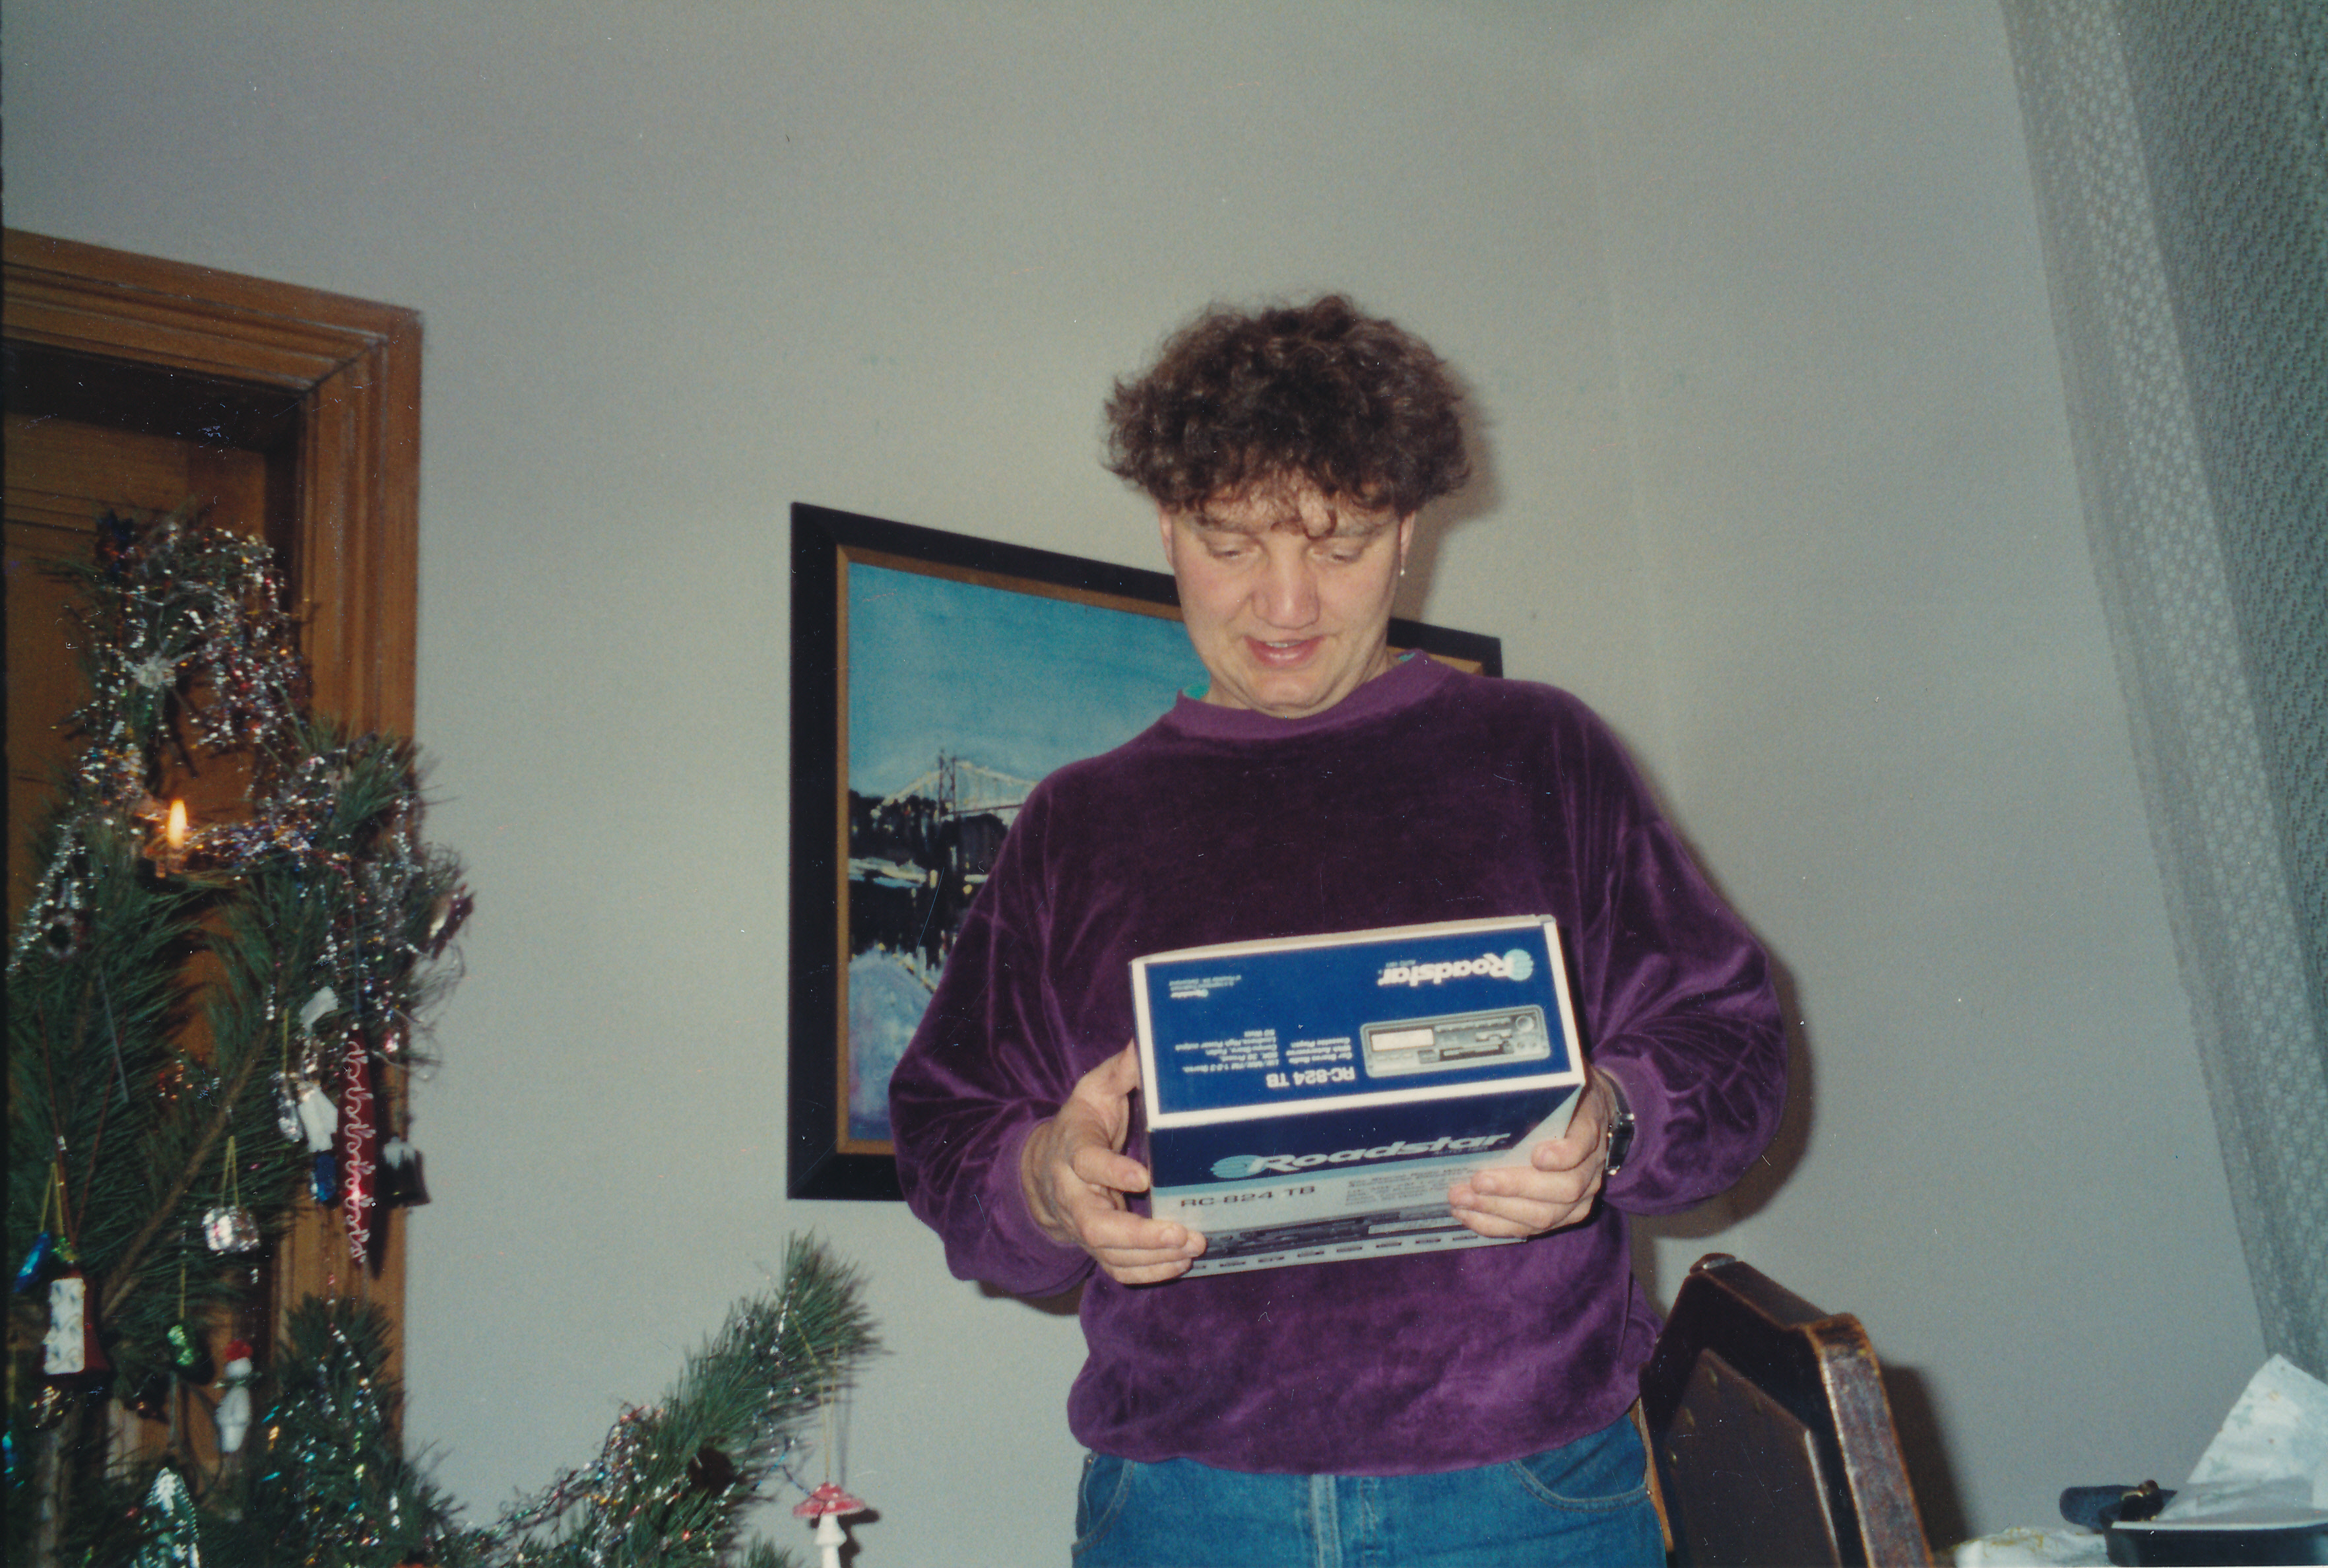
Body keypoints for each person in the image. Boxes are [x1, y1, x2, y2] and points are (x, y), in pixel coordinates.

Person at [889, 294, 1787, 1567]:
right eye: (1230, 544)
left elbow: (1735, 1047)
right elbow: (943, 1131)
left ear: (1409, 532)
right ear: (1167, 526)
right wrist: (1044, 1179)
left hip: (1525, 1496)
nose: (1287, 602)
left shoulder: (1543, 753)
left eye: (1343, 544)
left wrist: (1617, 1119)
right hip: (1183, 1511)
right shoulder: (1075, 823)